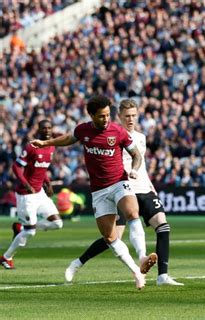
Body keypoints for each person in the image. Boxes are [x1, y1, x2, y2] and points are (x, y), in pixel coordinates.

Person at [29, 95, 156, 290]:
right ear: (91, 115)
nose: (106, 119)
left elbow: (136, 155)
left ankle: (142, 257)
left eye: (107, 115)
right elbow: (68, 139)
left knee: (132, 213)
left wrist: (134, 170)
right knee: (110, 237)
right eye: (101, 116)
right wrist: (46, 143)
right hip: (99, 191)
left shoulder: (118, 131)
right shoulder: (83, 130)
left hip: (120, 182)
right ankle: (136, 272)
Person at [64, 98, 183, 286]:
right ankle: (79, 262)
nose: (131, 119)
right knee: (112, 237)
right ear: (118, 117)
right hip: (121, 188)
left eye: (134, 116)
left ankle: (162, 276)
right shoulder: (113, 134)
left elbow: (139, 164)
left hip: (143, 188)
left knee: (163, 225)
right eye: (127, 116)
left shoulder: (141, 138)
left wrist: (151, 186)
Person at [1, 120, 63, 269]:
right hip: (26, 195)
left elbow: (41, 169)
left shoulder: (51, 146)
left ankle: (22, 229)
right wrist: (26, 185)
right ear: (39, 130)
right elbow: (16, 167)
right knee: (31, 233)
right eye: (44, 128)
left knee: (57, 223)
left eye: (49, 128)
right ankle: (6, 257)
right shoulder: (31, 146)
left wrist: (48, 183)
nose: (47, 130)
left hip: (39, 192)